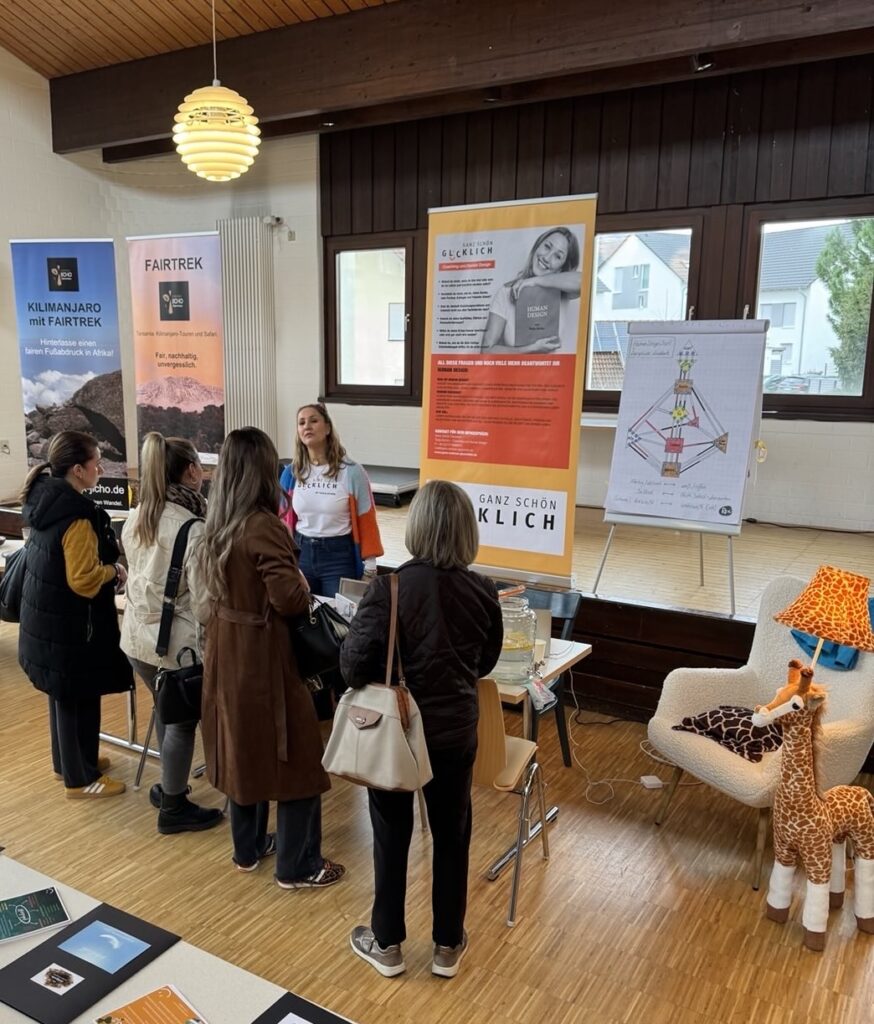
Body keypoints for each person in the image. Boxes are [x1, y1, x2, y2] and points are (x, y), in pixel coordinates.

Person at [340, 480, 504, 979]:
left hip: (396, 732)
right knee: (453, 833)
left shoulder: (388, 589)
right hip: (455, 732)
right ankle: (448, 945)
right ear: (466, 531)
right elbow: (484, 664)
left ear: (417, 526)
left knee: (391, 833)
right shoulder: (484, 592)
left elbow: (352, 667)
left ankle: (387, 943)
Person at [191, 427, 345, 888]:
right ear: (261, 472)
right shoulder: (262, 526)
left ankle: (249, 849)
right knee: (296, 759)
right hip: (264, 655)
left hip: (226, 650)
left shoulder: (217, 523)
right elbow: (290, 600)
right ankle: (299, 866)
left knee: (242, 749)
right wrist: (300, 581)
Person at [18, 430, 133, 799]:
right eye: (96, 462)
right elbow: (83, 580)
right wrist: (114, 571)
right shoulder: (77, 517)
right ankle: (81, 780)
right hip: (70, 624)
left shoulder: (45, 498)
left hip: (47, 620)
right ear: (79, 470)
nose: (101, 468)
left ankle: (70, 763)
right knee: (75, 695)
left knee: (64, 697)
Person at [120, 432, 223, 835]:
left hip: (137, 640)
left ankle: (169, 785)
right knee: (181, 722)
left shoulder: (139, 514)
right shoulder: (192, 528)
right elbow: (204, 603)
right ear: (193, 471)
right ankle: (174, 807)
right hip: (175, 646)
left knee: (166, 711)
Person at [280, 403, 383, 598]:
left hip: (338, 557)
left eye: (313, 421)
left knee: (339, 616)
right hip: (301, 554)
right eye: (301, 423)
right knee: (302, 614)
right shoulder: (290, 474)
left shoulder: (352, 472)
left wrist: (370, 569)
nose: (307, 426)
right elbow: (280, 523)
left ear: (327, 428)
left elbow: (367, 521)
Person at [480, 226, 582, 353]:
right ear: (537, 246)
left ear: (562, 268)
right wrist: (530, 348)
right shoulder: (506, 292)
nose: (547, 258)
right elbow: (486, 351)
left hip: (554, 367)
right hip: (517, 367)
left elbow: (583, 280)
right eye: (547, 247)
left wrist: (534, 281)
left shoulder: (563, 292)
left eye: (558, 256)